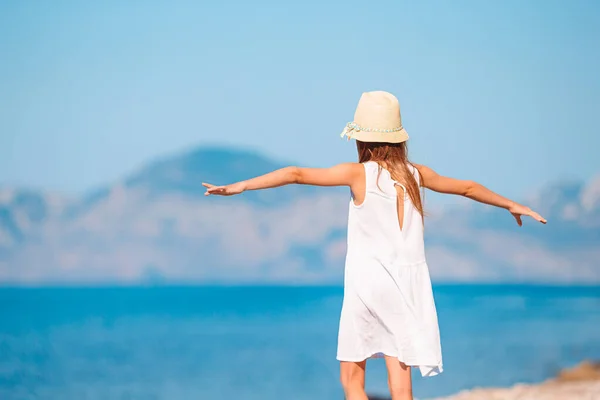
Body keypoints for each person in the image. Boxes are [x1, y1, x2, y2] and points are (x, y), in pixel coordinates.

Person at [202, 91, 547, 400]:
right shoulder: (417, 174)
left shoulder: (359, 174)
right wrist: (510, 204)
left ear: (361, 140)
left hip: (367, 284)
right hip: (407, 287)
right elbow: (468, 187)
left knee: (352, 381)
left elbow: (296, 173)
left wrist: (241, 186)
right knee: (401, 387)